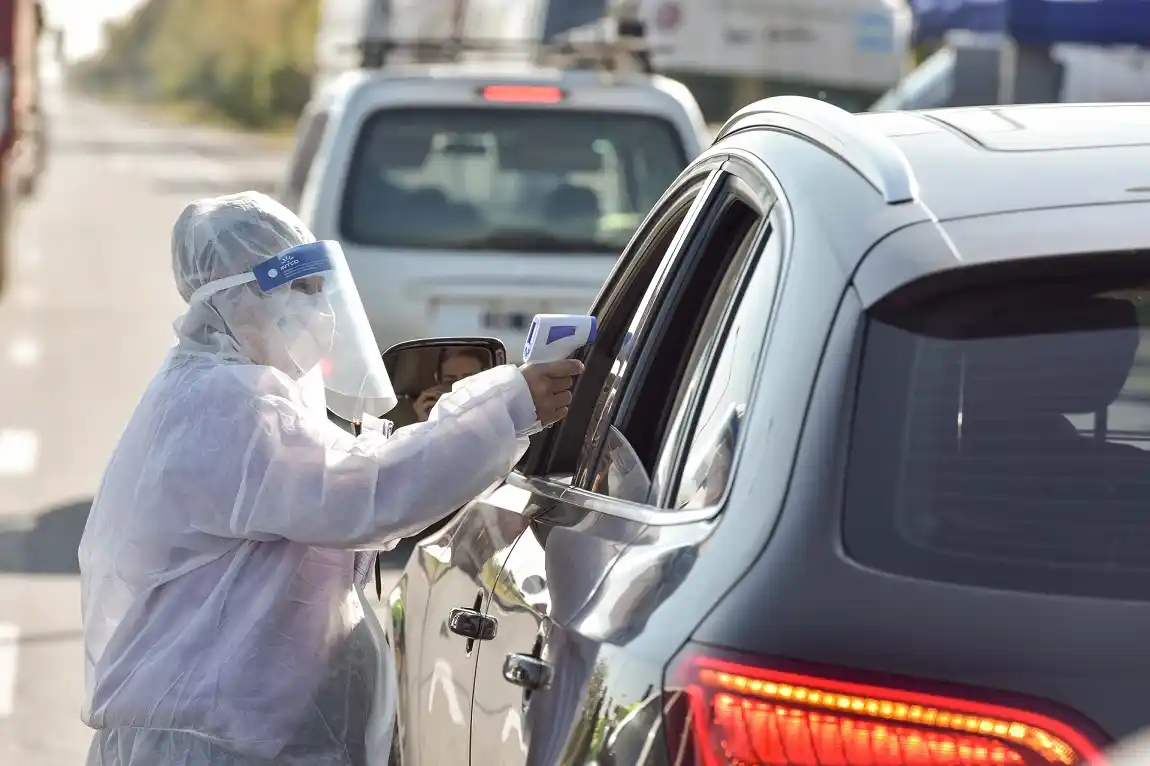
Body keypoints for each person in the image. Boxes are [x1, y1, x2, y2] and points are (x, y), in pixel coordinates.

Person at [77, 191, 582, 766]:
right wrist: (509, 405)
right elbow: (364, 496)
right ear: (234, 295)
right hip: (209, 746)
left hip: (225, 738)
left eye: (321, 291)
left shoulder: (223, 390)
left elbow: (339, 473)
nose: (319, 313)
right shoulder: (224, 403)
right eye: (300, 291)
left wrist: (444, 427)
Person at [412, 347, 488, 422]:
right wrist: (425, 423)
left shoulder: (496, 409)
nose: (459, 388)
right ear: (439, 382)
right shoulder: (436, 415)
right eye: (450, 381)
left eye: (468, 380)